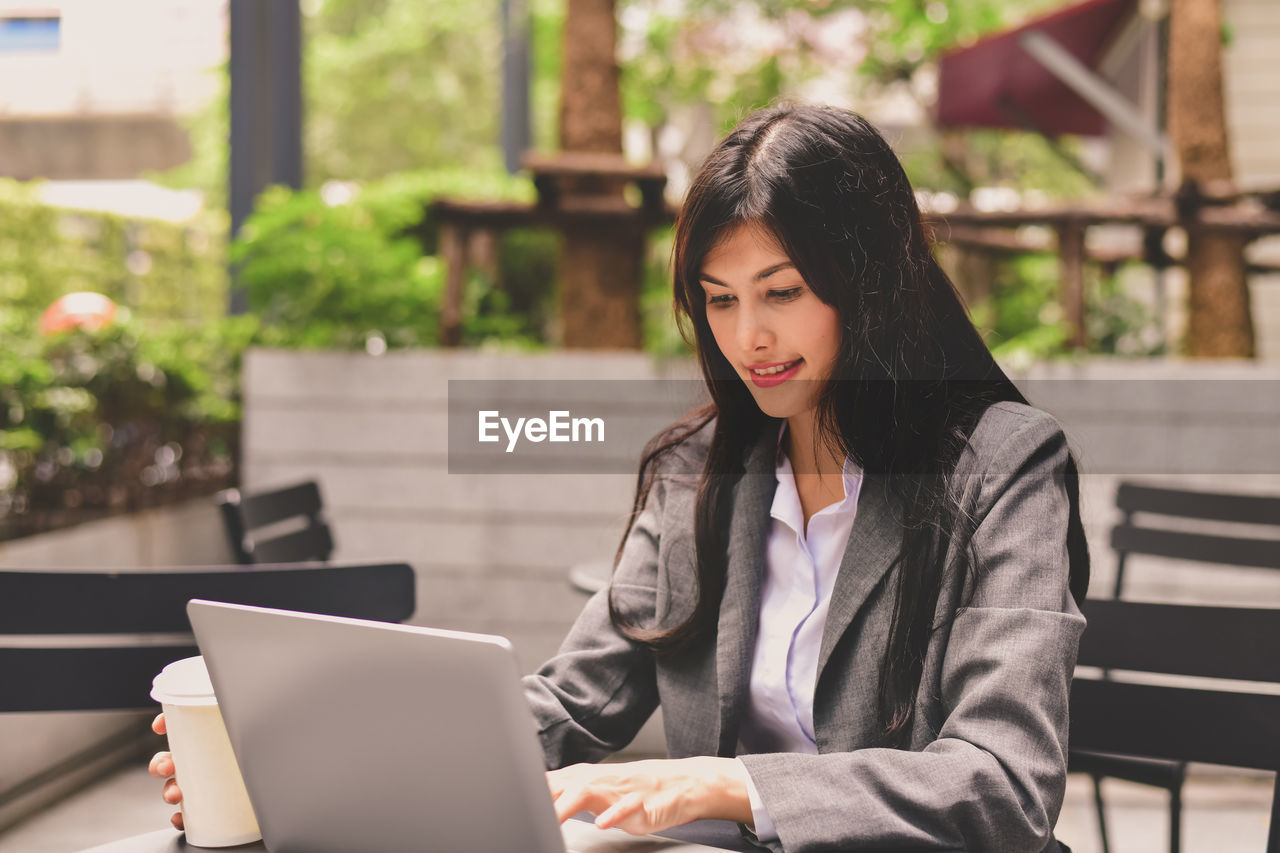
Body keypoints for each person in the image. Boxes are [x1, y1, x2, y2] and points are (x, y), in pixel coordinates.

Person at [151, 103, 1089, 852]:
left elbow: (1004, 782)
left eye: (783, 291)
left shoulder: (1003, 468)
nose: (747, 337)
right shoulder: (702, 470)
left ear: (871, 284)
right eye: (718, 300)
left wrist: (730, 784)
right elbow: (565, 706)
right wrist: (294, 761)